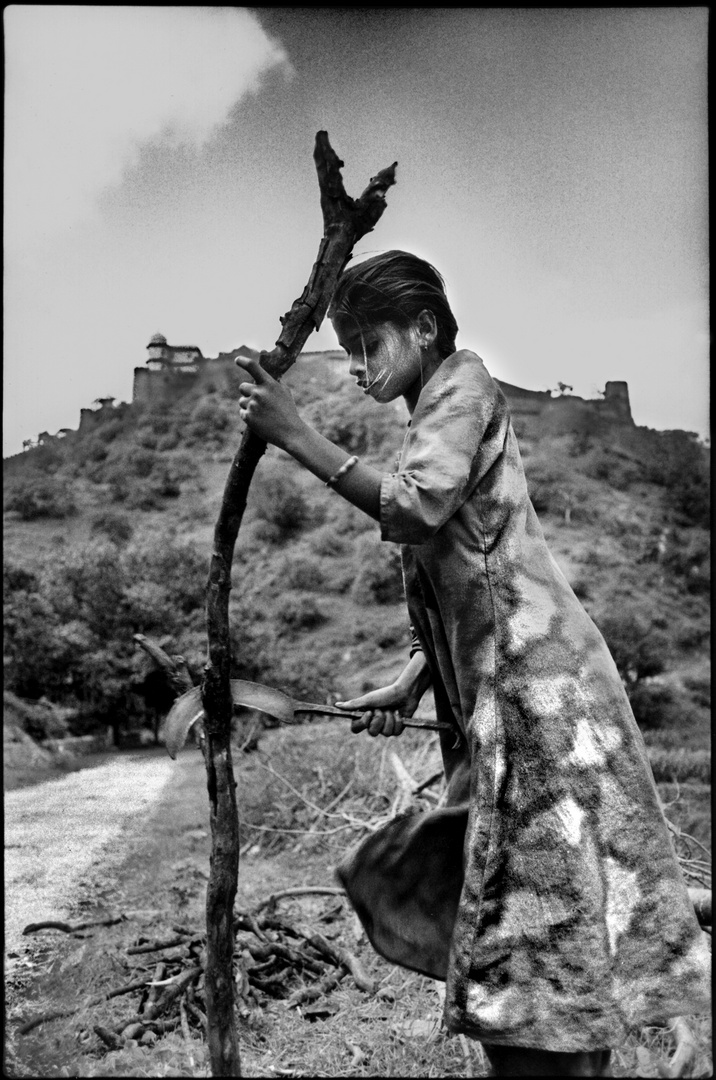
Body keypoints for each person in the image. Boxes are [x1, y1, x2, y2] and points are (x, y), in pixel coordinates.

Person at [236, 251, 710, 1077]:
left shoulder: (465, 381)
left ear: (424, 327)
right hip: (497, 698)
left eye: (367, 342)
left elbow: (417, 508)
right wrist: (414, 676)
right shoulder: (429, 417)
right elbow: (446, 570)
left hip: (542, 695)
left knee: (535, 918)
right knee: (482, 891)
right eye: (344, 347)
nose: (354, 366)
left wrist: (296, 436)